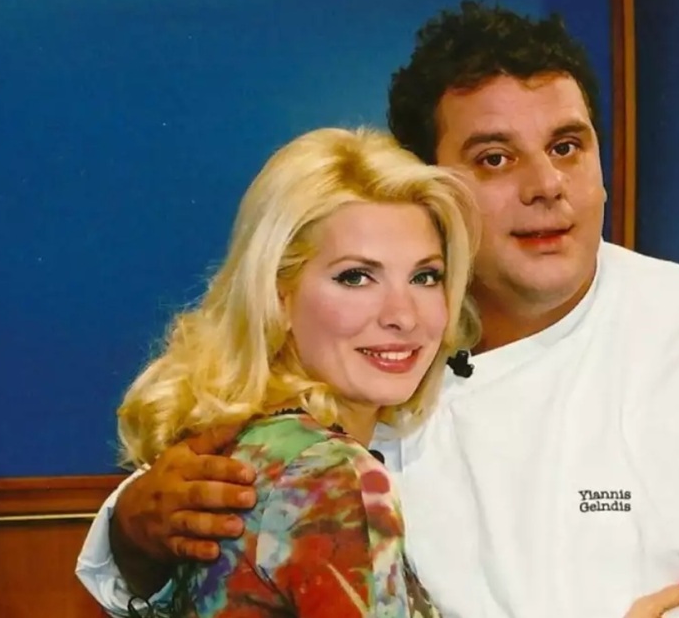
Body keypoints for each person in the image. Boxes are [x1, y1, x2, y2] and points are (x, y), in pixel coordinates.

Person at [78, 1, 679, 617]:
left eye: (568, 146)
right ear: (428, 186)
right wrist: (135, 530)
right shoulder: (365, 370)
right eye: (495, 158)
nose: (546, 185)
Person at [112, 127, 481, 616]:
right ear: (277, 297)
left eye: (424, 276)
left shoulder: (248, 446)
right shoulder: (334, 475)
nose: (403, 315)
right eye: (356, 277)